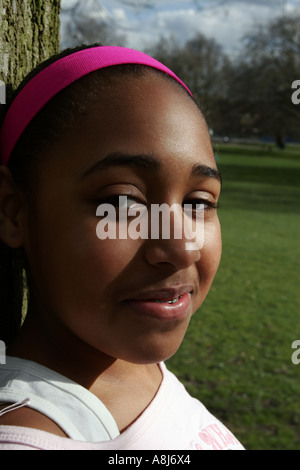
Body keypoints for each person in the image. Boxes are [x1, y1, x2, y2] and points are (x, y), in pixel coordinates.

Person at [0, 45, 244, 450]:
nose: (182, 248)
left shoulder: (134, 367)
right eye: (123, 202)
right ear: (13, 211)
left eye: (198, 202)